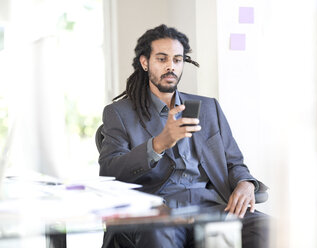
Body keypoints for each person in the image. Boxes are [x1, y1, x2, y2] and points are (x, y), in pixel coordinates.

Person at [99, 24, 269, 248]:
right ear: (144, 62)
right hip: (160, 213)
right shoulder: (119, 114)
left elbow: (234, 163)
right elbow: (109, 171)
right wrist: (159, 144)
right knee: (158, 235)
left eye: (177, 60)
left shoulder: (209, 108)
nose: (171, 66)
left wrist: (246, 183)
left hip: (213, 209)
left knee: (270, 230)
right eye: (162, 59)